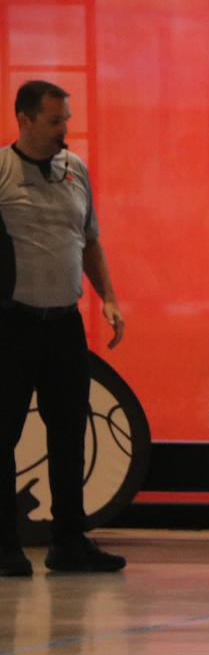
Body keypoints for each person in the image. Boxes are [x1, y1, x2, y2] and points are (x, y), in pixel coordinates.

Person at [2, 80, 126, 577]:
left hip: (63, 324)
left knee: (71, 431)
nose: (63, 130)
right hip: (12, 324)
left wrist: (110, 298)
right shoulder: (3, 171)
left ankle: (69, 540)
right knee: (3, 433)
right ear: (25, 119)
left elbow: (89, 240)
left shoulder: (75, 170)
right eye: (54, 121)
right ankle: (6, 545)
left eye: (66, 120)